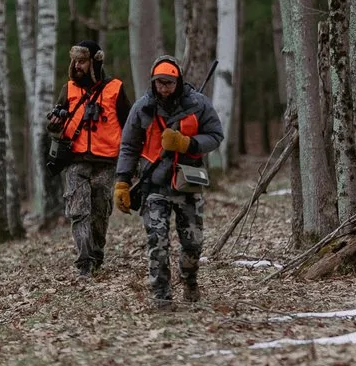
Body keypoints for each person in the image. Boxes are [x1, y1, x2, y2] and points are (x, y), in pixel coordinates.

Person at [114, 56, 223, 308]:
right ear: (152, 82)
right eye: (159, 83)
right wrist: (121, 181)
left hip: (189, 183)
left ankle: (190, 282)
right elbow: (128, 146)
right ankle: (161, 297)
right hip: (153, 184)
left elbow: (216, 136)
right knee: (157, 241)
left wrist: (188, 143)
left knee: (192, 243)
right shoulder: (142, 108)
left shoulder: (199, 104)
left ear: (178, 81)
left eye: (169, 83)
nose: (164, 88)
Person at [43, 40, 124, 280]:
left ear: (95, 61)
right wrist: (54, 126)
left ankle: (97, 254)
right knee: (78, 210)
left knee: (100, 210)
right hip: (75, 160)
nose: (77, 65)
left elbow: (130, 125)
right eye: (74, 61)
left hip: (106, 161)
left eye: (82, 61)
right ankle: (85, 263)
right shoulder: (67, 89)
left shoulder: (115, 89)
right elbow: (56, 123)